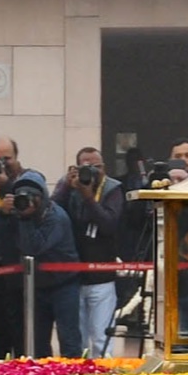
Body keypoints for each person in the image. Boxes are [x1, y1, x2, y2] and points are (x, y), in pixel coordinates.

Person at [0, 166, 75, 358]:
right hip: (35, 286)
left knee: (69, 340)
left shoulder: (55, 216)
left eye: (33, 195)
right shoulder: (15, 212)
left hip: (63, 284)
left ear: (43, 197)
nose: (27, 201)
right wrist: (3, 214)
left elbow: (34, 247)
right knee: (36, 344)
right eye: (22, 195)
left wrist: (24, 219)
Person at [54, 146, 134, 358]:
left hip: (102, 275)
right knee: (77, 337)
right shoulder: (70, 188)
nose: (90, 172)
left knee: (101, 337)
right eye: (85, 167)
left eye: (95, 167)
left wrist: (88, 197)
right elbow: (52, 213)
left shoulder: (113, 189)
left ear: (104, 168)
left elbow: (109, 223)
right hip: (73, 275)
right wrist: (65, 186)